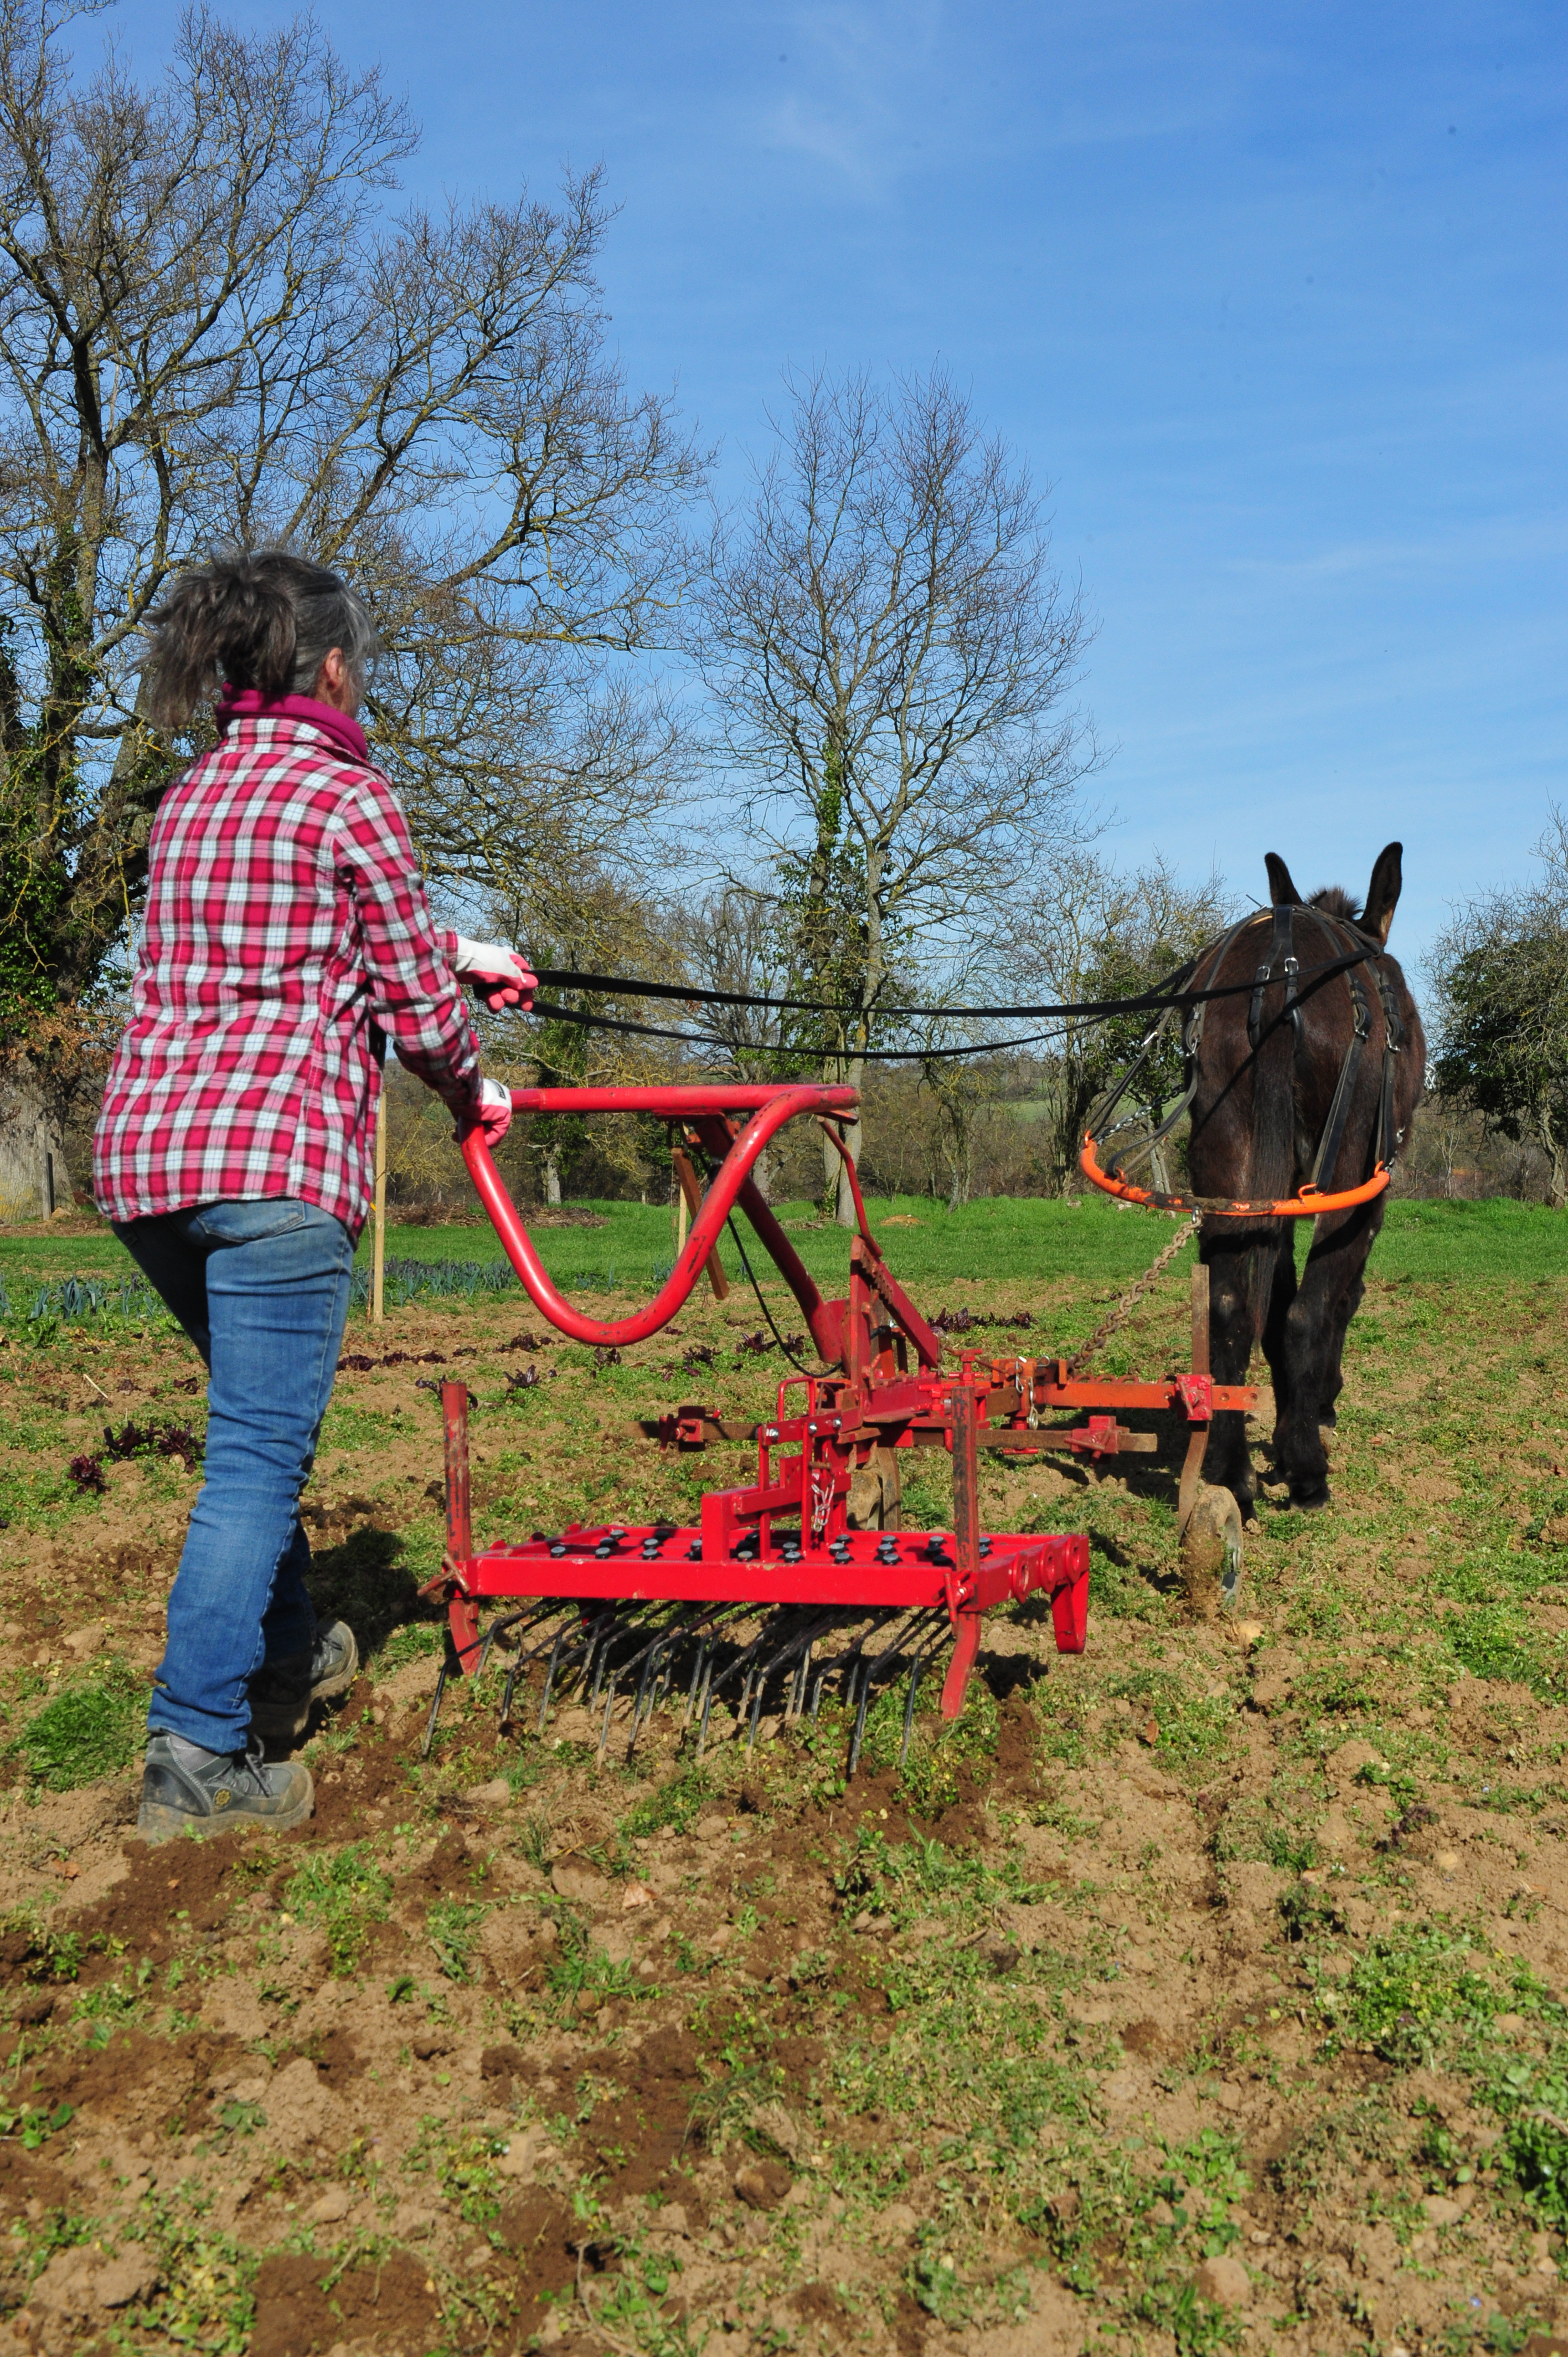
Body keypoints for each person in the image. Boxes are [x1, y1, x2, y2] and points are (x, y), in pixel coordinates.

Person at [92, 549, 536, 1842]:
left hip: (149, 1174)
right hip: (278, 1175)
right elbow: (415, 1011)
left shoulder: (194, 798)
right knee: (252, 1462)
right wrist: (474, 1091)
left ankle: (280, 1666)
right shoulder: (352, 797)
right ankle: (194, 1757)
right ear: (332, 666)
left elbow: (311, 935)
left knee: (255, 1439)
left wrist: (466, 955)